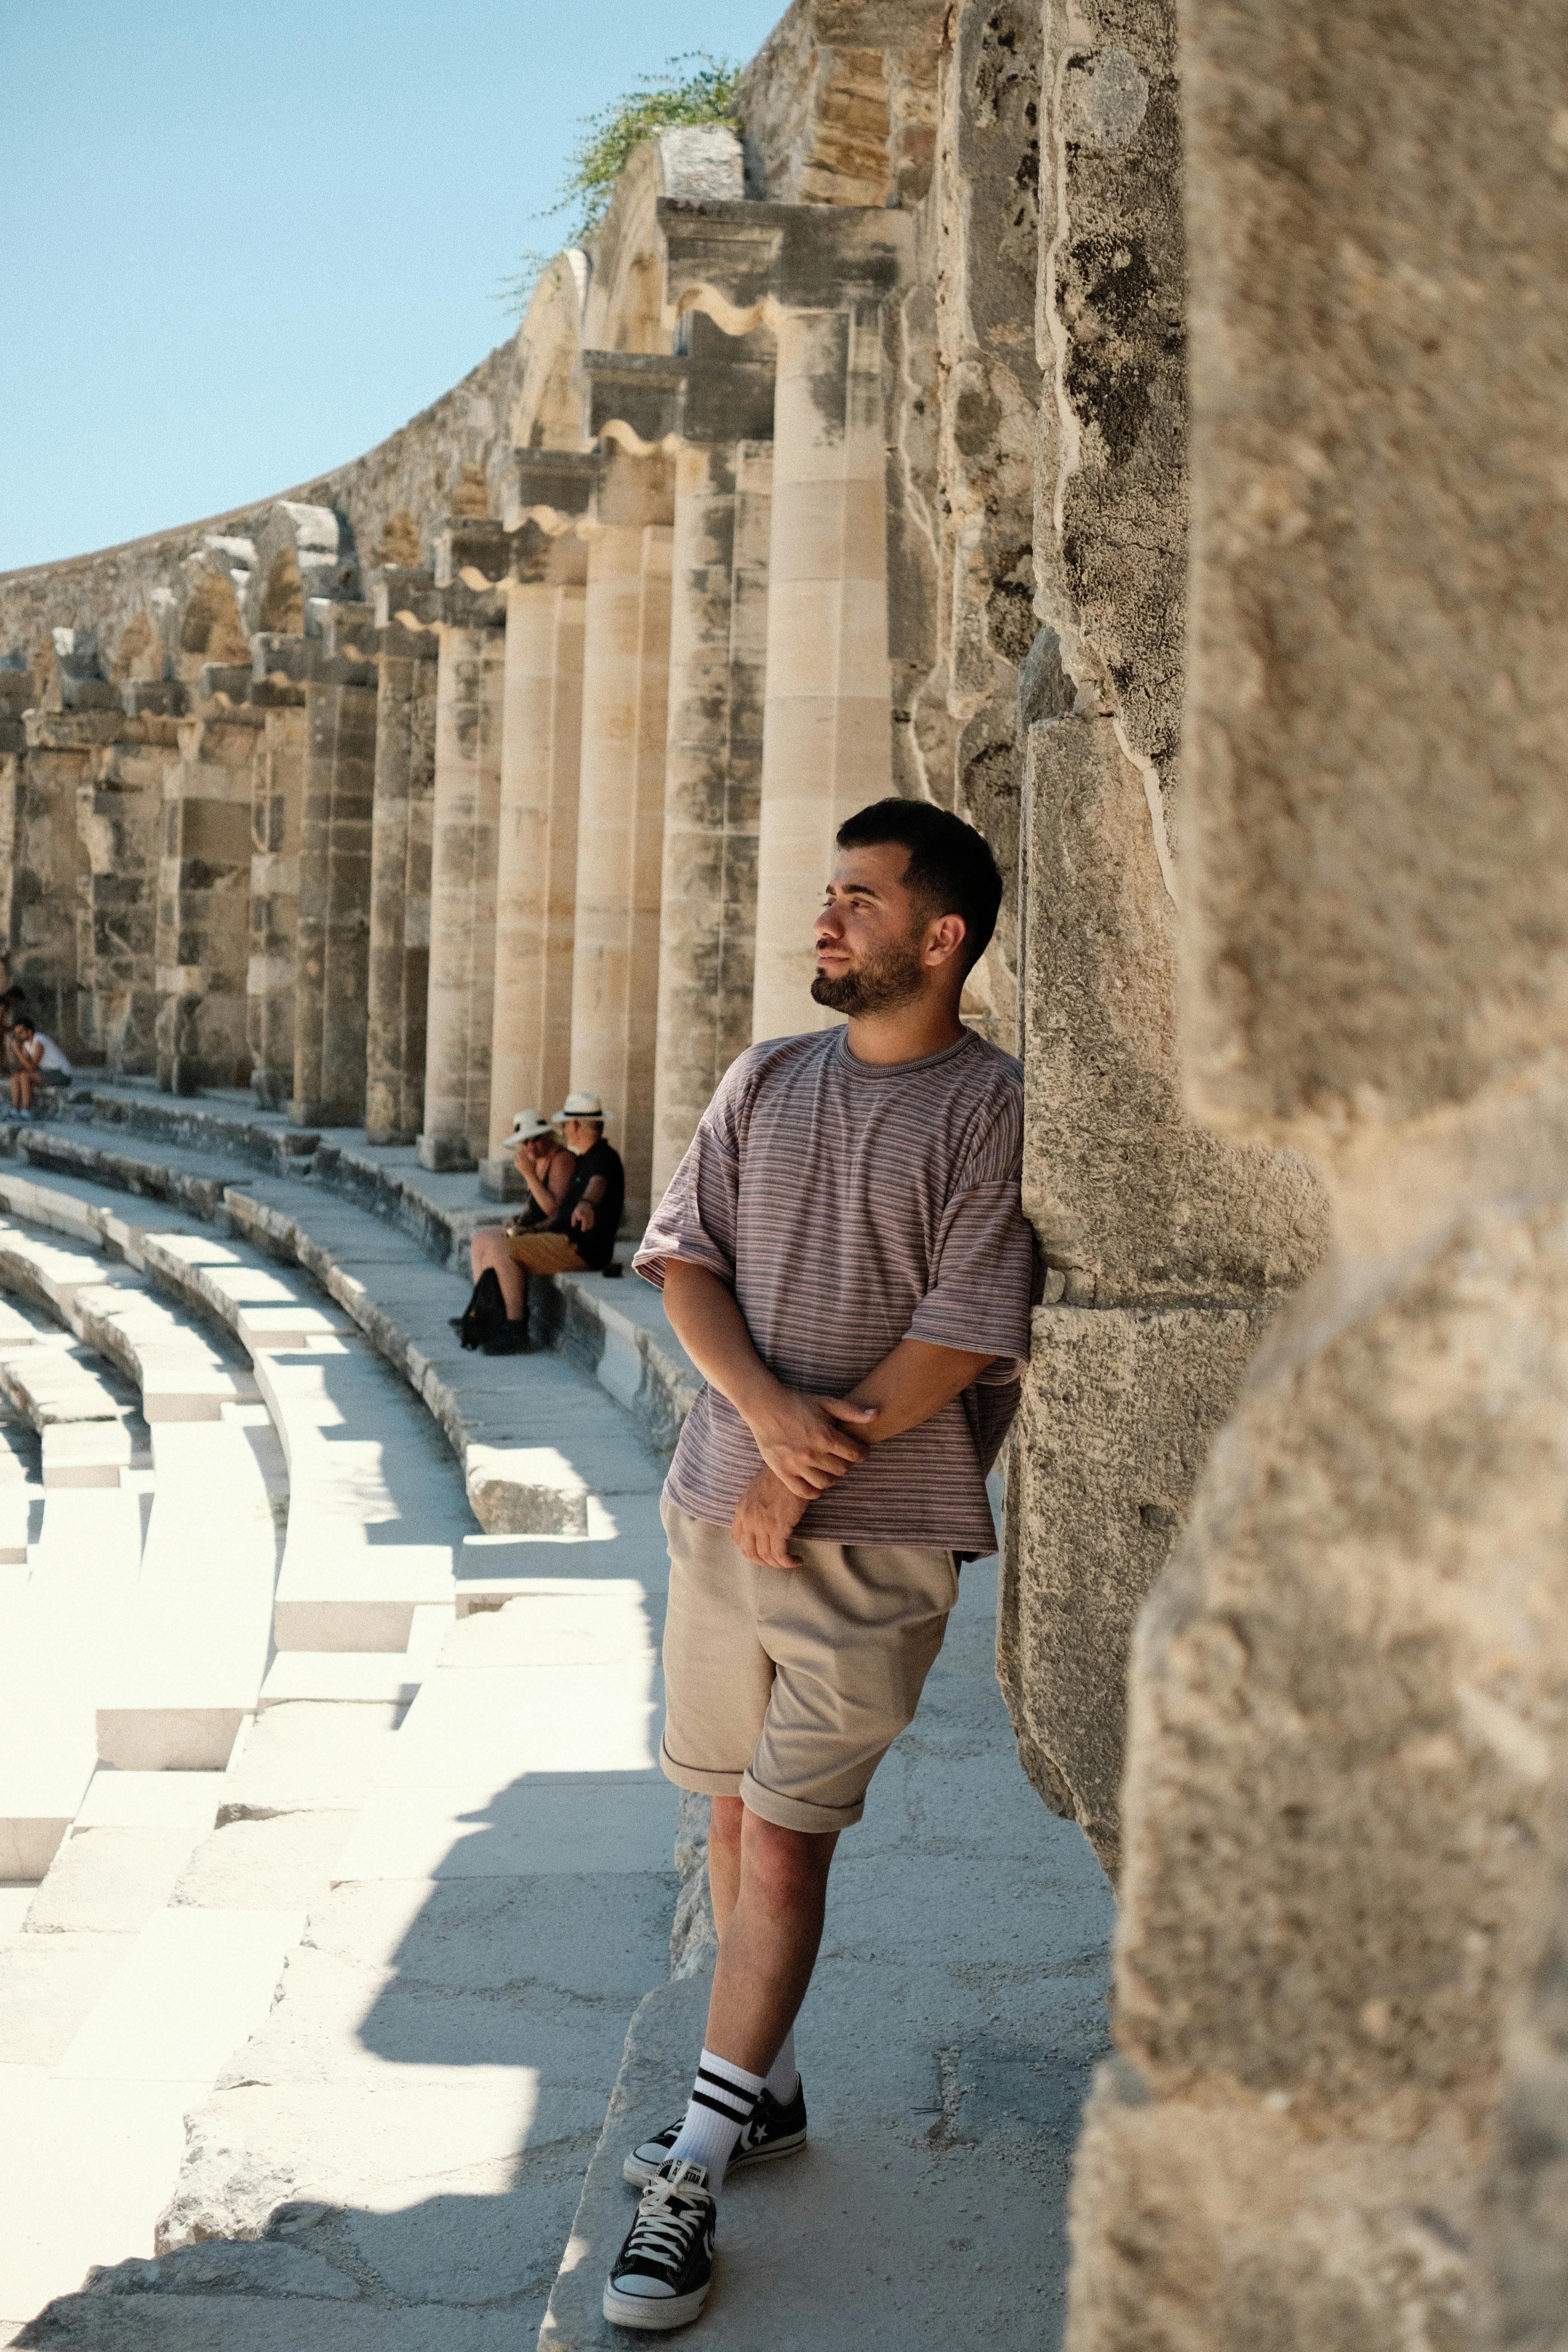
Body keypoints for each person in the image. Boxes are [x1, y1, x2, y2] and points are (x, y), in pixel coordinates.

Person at [603, 799, 1036, 2332]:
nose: (824, 919)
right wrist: (770, 1431)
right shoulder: (763, 1077)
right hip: (720, 1505)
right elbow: (683, 1261)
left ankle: (692, 2175)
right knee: (724, 1818)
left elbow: (967, 1327)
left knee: (785, 1841)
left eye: (858, 899)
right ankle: (764, 2092)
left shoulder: (990, 1108)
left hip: (878, 1544)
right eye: (825, 895)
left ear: (942, 937)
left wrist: (812, 1468)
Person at [475, 1092, 626, 1357]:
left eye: (567, 1124)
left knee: (504, 1247)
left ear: (577, 1126)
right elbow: (560, 1214)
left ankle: (515, 1328)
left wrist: (587, 1204)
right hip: (564, 1240)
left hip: (582, 1248)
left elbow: (598, 1184)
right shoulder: (584, 1160)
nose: (564, 1130)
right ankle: (491, 1317)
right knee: (500, 1240)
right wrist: (531, 1230)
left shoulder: (605, 1157)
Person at [463, 1110, 576, 1334]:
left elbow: (553, 1209)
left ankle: (513, 1323)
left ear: (548, 1136)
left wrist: (529, 1175)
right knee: (480, 1241)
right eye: (526, 1143)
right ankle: (484, 1309)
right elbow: (534, 1204)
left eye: (537, 1139)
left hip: (551, 1231)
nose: (531, 1148)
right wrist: (519, 1218)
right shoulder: (539, 1160)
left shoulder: (562, 1160)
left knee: (499, 1247)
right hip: (532, 1228)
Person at [7, 1017, 72, 1120]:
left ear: (29, 1032)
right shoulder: (27, 1044)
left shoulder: (39, 1041)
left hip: (62, 1074)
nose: (18, 1036)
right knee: (15, 1077)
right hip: (48, 1073)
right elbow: (25, 1065)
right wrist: (14, 1071)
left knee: (25, 1076)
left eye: (21, 1033)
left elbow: (32, 1068)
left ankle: (27, 1112)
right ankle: (15, 1110)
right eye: (17, 1034)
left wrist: (17, 1051)